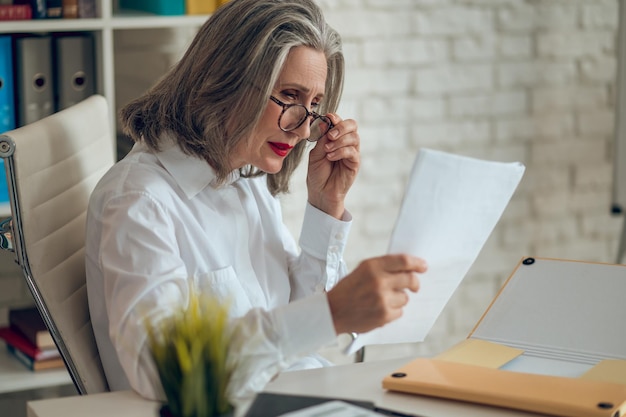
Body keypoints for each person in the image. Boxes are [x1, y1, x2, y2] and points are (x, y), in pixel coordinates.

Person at [85, 0, 427, 409]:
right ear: (225, 79)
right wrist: (332, 312)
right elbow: (162, 369)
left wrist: (326, 205)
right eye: (289, 95)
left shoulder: (244, 179)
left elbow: (292, 317)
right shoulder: (140, 201)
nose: (304, 129)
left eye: (315, 105)